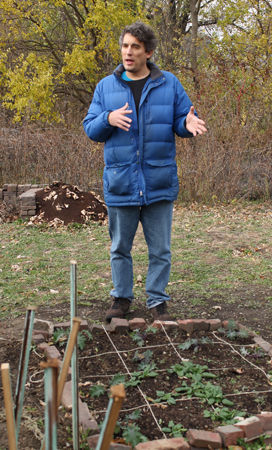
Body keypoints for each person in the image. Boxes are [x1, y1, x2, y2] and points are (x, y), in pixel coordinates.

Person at [83, 21, 207, 322]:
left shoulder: (170, 83)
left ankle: (157, 302)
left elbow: (182, 119)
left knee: (161, 250)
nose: (128, 52)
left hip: (158, 181)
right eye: (125, 45)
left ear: (148, 52)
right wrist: (108, 118)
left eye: (135, 47)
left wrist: (188, 126)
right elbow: (90, 128)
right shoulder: (105, 87)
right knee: (119, 248)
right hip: (121, 182)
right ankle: (121, 299)